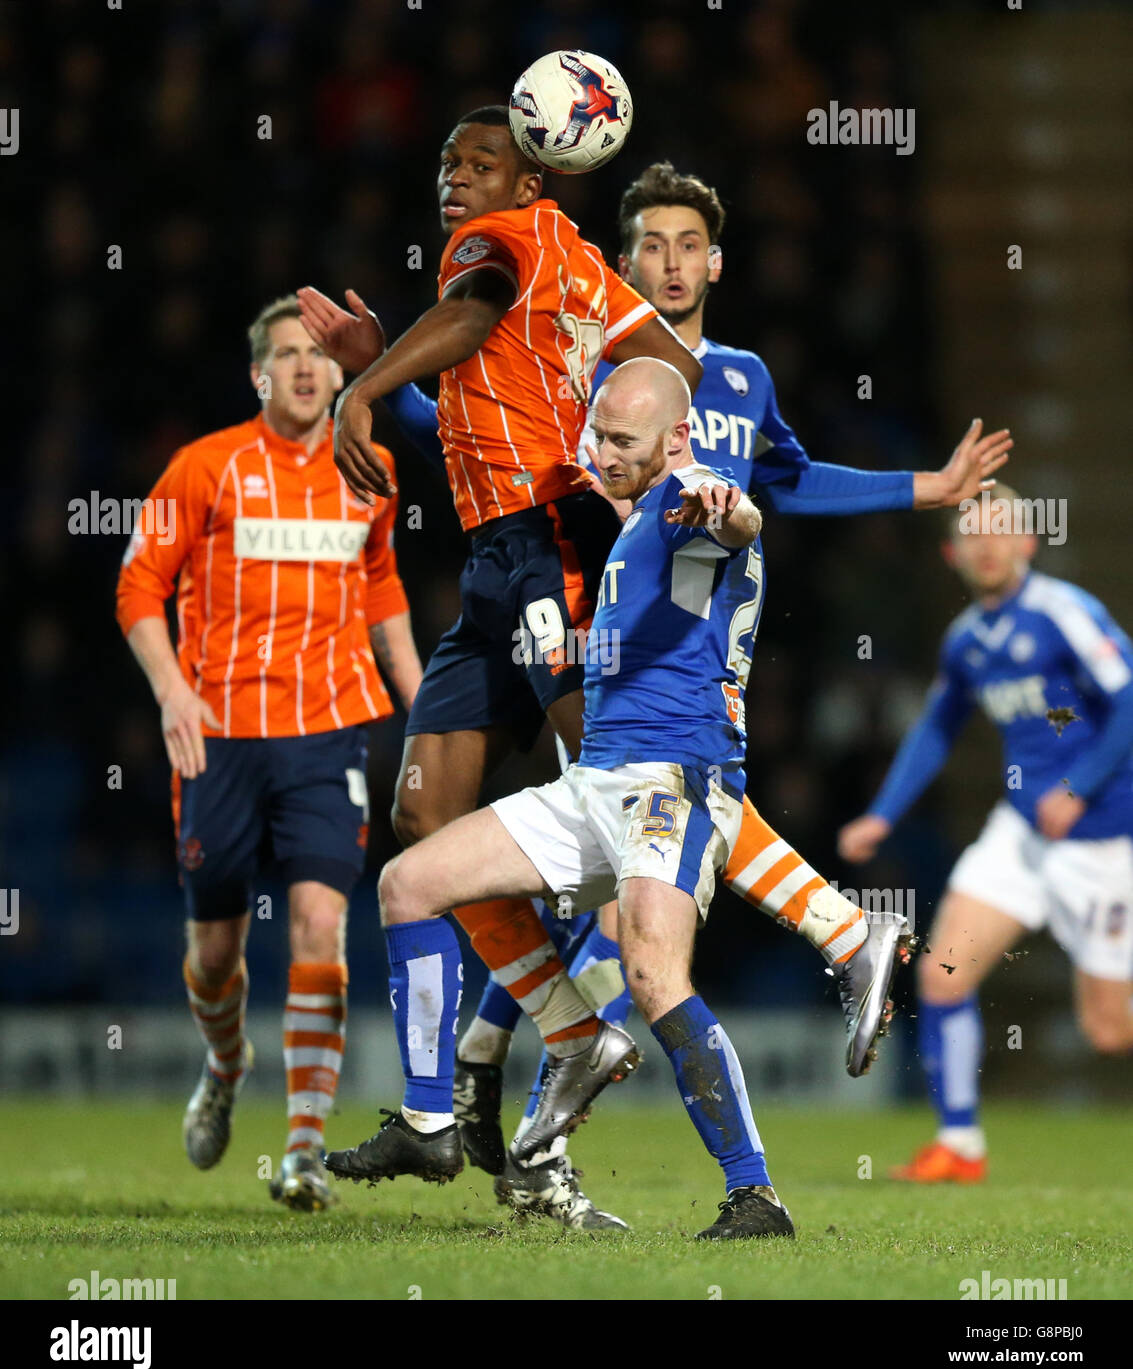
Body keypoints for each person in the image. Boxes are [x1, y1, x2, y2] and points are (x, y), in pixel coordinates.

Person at [322, 159, 1010, 1226]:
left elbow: (774, 488)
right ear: (621, 264)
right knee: (457, 851)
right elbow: (482, 442)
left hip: (669, 673)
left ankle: (545, 1099)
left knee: (643, 916)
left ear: (715, 262)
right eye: (648, 246)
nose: (670, 263)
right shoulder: (580, 352)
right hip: (566, 596)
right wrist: (391, 390)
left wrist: (909, 489)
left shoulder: (732, 388)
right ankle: (532, 1066)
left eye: (688, 245)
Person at [328, 358, 798, 1240]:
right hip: (592, 785)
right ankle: (436, 1115)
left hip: (668, 784)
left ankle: (754, 1195)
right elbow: (478, 439)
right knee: (407, 881)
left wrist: (723, 505)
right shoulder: (617, 511)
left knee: (656, 976)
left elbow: (734, 518)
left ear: (675, 439)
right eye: (597, 435)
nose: (602, 453)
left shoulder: (685, 500)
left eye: (623, 441)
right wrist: (390, 382)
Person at [116, 296, 421, 1212]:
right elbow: (138, 584)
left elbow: (381, 594)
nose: (303, 367)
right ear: (258, 374)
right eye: (285, 353)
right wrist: (173, 690)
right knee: (214, 952)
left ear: (340, 374)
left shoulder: (371, 471)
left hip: (329, 734)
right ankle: (224, 1060)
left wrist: (426, 715)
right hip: (219, 741)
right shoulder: (204, 468)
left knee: (322, 926)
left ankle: (302, 1149)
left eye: (319, 354)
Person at [839, 484, 1133, 1182]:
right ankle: (959, 1145)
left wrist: (1078, 786)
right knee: (943, 974)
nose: (987, 544)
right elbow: (938, 726)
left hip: (1098, 838)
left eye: (1001, 530)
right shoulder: (967, 638)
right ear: (951, 553)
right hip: (1019, 834)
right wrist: (882, 813)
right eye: (973, 534)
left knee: (1108, 1031)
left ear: (1029, 542)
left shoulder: (1063, 613)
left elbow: (1127, 701)